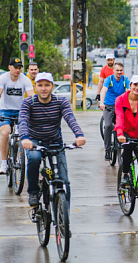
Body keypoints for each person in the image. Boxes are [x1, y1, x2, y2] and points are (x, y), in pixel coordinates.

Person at [19, 72, 86, 207]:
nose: (44, 88)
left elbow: (70, 118)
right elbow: (23, 121)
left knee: (64, 180)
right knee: (34, 158)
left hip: (55, 141)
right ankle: (33, 191)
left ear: (52, 86)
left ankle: (64, 218)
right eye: (40, 85)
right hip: (34, 141)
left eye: (47, 85)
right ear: (35, 87)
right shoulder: (28, 102)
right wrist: (25, 138)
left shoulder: (60, 101)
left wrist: (79, 135)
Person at [0, 57, 34, 175]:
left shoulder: (25, 80)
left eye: (20, 68)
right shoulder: (3, 78)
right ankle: (4, 163)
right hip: (5, 110)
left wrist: (34, 111)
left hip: (21, 111)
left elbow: (31, 97)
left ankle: (21, 156)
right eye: (15, 67)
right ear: (9, 67)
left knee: (22, 133)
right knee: (5, 133)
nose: (18, 70)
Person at [99, 62, 130, 161]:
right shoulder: (109, 79)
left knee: (123, 126)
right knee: (108, 126)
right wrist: (102, 103)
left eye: (121, 70)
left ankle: (123, 146)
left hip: (120, 106)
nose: (119, 72)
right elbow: (103, 90)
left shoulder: (125, 80)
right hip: (109, 105)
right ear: (113, 71)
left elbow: (129, 91)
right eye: (117, 70)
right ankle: (107, 150)